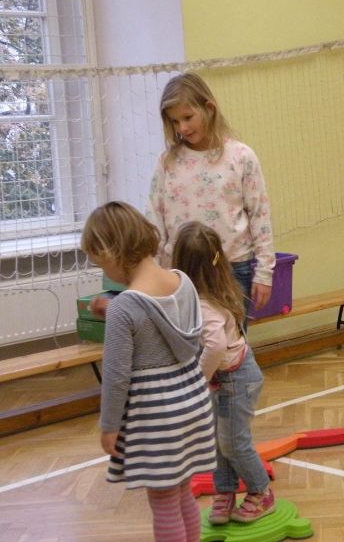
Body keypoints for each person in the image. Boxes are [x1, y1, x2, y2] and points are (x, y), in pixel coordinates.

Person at [81, 201, 216, 542]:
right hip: (194, 402)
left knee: (164, 502)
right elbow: (183, 336)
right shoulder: (183, 282)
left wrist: (109, 426)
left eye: (101, 264)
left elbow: (116, 376)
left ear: (112, 253)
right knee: (182, 492)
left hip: (157, 416)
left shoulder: (124, 307)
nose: (105, 272)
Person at [148, 72, 275, 327]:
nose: (182, 128)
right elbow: (155, 219)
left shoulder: (241, 156)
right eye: (174, 121)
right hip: (180, 273)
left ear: (209, 108)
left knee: (231, 344)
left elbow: (260, 216)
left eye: (188, 117)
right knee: (187, 344)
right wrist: (153, 272)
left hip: (231, 268)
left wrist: (264, 273)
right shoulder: (167, 161)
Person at [172, 221, 275, 525]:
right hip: (225, 379)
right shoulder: (213, 290)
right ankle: (225, 491)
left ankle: (261, 491)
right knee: (218, 440)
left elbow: (216, 346)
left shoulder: (204, 303)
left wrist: (197, 381)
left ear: (182, 265)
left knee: (232, 442)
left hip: (237, 380)